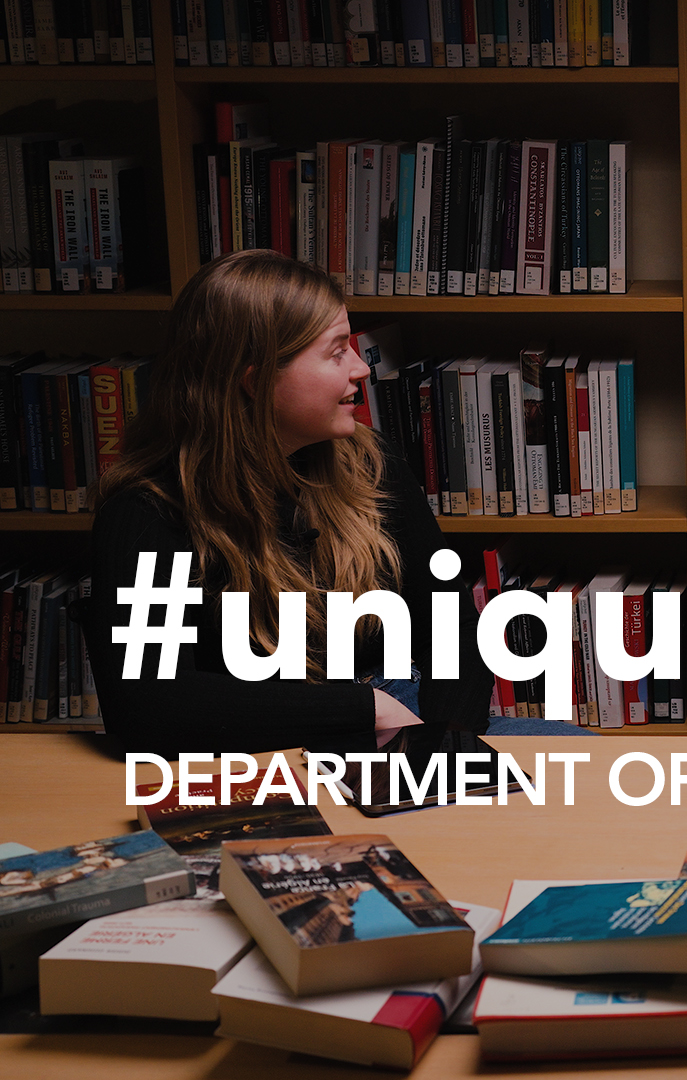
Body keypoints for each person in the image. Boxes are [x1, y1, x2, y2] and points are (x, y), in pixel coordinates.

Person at [81, 250, 589, 758]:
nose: (360, 370)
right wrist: (360, 711)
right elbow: (149, 706)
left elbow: (452, 632)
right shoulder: (148, 513)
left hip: (406, 720)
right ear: (255, 381)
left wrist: (438, 749)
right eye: (335, 352)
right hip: (257, 748)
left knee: (589, 773)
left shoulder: (372, 465)